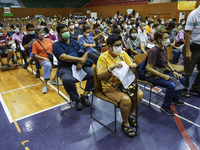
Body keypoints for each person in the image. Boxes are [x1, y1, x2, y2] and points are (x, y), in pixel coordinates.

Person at [97, 34, 143, 137]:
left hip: (124, 83)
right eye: (116, 45)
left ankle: (130, 115)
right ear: (109, 46)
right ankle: (125, 123)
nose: (119, 47)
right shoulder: (103, 57)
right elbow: (100, 77)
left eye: (120, 44)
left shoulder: (123, 54)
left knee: (139, 94)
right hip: (110, 87)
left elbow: (132, 66)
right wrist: (111, 67)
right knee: (126, 99)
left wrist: (133, 66)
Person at [53, 24, 94, 111]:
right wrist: (80, 59)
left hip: (79, 66)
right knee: (67, 80)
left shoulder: (74, 42)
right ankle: (76, 99)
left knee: (93, 73)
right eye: (63, 32)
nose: (66, 33)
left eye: (66, 31)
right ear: (59, 34)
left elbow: (85, 52)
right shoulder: (57, 45)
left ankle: (85, 95)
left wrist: (80, 62)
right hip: (66, 67)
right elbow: (63, 57)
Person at [146, 29, 185, 116]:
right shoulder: (154, 51)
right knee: (171, 85)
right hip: (153, 76)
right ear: (159, 40)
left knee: (182, 79)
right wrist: (163, 76)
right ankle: (165, 106)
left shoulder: (163, 48)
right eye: (166, 38)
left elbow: (166, 62)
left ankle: (174, 98)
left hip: (162, 72)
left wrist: (173, 71)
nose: (168, 39)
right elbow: (149, 68)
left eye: (168, 37)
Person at [32, 26, 61, 94]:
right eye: (40, 32)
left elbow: (54, 48)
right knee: (48, 65)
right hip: (43, 59)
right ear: (36, 34)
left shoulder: (48, 40)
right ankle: (45, 84)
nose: (42, 33)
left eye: (43, 32)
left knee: (62, 63)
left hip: (52, 58)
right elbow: (35, 55)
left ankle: (54, 79)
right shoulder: (35, 43)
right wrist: (44, 58)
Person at [182, 5, 200, 97]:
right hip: (192, 47)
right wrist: (188, 50)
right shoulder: (194, 14)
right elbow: (187, 33)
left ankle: (196, 87)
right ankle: (183, 89)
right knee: (188, 71)